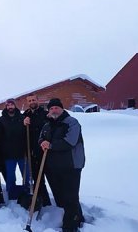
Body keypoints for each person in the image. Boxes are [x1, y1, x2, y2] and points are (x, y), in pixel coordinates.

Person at [39, 98, 85, 232]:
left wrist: (51, 145)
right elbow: (41, 138)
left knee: (70, 196)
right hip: (55, 166)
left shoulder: (72, 122)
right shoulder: (47, 124)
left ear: (62, 109)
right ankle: (78, 218)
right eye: (51, 108)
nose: (54, 110)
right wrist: (42, 142)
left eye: (56, 108)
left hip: (71, 165)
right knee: (62, 196)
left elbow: (70, 141)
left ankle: (69, 227)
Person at [23, 93, 52, 206]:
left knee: (52, 178)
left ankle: (59, 201)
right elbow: (22, 133)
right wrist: (23, 123)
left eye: (33, 100)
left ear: (38, 100)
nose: (32, 102)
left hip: (46, 152)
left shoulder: (45, 114)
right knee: (38, 179)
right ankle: (43, 202)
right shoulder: (25, 115)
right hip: (33, 152)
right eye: (29, 101)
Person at [0, 98, 29, 200]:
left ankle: (27, 193)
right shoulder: (1, 119)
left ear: (15, 106)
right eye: (8, 105)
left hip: (22, 153)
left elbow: (28, 133)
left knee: (26, 175)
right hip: (8, 154)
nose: (10, 107)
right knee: (10, 176)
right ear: (6, 107)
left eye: (12, 105)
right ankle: (11, 195)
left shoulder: (22, 118)